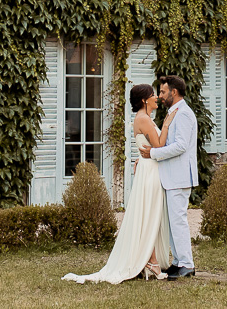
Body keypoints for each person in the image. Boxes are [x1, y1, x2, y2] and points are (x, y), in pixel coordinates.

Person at [62, 83, 176, 284]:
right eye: (152, 95)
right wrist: (167, 124)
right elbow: (159, 146)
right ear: (144, 100)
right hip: (150, 172)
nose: (156, 98)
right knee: (149, 215)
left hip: (148, 168)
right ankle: (151, 262)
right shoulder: (144, 119)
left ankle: (151, 261)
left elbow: (152, 147)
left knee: (149, 215)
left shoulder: (144, 119)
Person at [141, 75, 197, 280]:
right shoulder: (174, 113)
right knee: (173, 222)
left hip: (180, 176)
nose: (160, 96)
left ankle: (187, 265)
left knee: (179, 221)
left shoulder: (183, 114)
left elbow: (181, 146)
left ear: (174, 92)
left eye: (163, 92)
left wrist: (153, 154)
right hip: (171, 176)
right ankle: (178, 262)